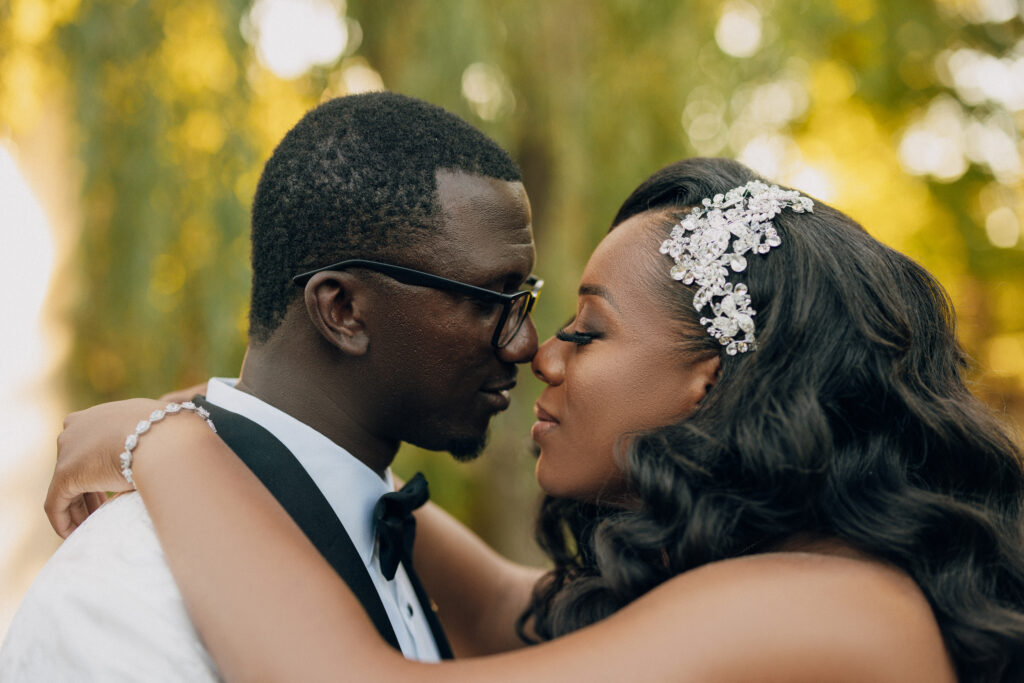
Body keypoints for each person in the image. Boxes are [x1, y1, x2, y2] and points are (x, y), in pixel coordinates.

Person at [42, 158, 1024, 680]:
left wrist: (162, 444)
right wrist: (228, 420)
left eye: (585, 330)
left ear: (711, 379)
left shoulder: (827, 606)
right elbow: (499, 607)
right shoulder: (783, 575)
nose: (536, 353)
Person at [0, 92, 543, 679]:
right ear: (343, 311)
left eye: (526, 298)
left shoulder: (378, 524)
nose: (525, 345)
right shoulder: (124, 594)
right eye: (496, 301)